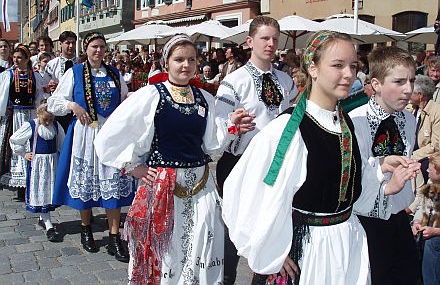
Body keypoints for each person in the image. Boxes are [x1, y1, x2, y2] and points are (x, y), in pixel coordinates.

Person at [222, 31, 419, 284]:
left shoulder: (345, 122)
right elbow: (247, 192)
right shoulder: (289, 130)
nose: (348, 74)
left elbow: (352, 191)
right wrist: (272, 253)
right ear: (313, 69)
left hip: (347, 245)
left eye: (353, 66)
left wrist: (384, 176)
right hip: (311, 251)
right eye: (338, 65)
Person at [94, 34, 252, 284]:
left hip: (201, 187)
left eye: (191, 59)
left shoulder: (204, 98)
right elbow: (109, 136)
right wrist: (133, 167)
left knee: (200, 247)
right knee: (166, 251)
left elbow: (210, 143)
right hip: (163, 186)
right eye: (179, 59)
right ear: (166, 62)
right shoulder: (150, 96)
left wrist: (231, 126)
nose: (186, 65)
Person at [215, 15, 297, 285]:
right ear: (250, 41)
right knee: (233, 228)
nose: (271, 44)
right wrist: (234, 126)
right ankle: (227, 279)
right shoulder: (234, 81)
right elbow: (218, 128)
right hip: (239, 164)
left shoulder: (286, 80)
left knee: (269, 225)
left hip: (275, 166)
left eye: (275, 38)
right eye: (265, 38)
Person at [47, 32, 134, 262]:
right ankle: (86, 228)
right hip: (86, 134)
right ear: (86, 49)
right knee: (86, 184)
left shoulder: (114, 73)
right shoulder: (74, 72)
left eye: (102, 47)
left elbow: (125, 100)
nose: (99, 51)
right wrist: (72, 104)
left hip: (111, 135)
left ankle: (114, 237)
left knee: (113, 182)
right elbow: (53, 102)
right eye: (94, 46)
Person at [349, 46, 421, 284]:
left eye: (411, 80)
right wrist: (382, 168)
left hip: (399, 219)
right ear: (376, 84)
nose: (408, 89)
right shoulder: (355, 121)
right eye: (399, 81)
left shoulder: (409, 120)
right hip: (366, 222)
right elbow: (352, 174)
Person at [9, 103, 64, 242]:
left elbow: (61, 144)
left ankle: (42, 218)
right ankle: (49, 226)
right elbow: (15, 139)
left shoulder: (56, 126)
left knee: (49, 192)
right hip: (38, 164)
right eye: (45, 119)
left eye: (50, 119)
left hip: (52, 163)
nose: (47, 122)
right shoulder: (32, 125)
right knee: (41, 191)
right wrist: (23, 153)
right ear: (39, 115)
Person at [0, 45, 43, 200]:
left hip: (31, 114)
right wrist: (5, 109)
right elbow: (2, 95)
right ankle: (18, 184)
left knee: (31, 145)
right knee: (15, 146)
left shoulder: (34, 75)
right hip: (15, 116)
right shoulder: (8, 75)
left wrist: (39, 107)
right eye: (15, 57)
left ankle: (30, 181)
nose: (16, 60)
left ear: (26, 59)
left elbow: (39, 93)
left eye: (19, 57)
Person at [411, 151, 440, 285]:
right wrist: (417, 222)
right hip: (430, 229)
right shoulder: (431, 183)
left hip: (436, 236)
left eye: (430, 168)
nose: (426, 169)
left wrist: (436, 231)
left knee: (432, 244)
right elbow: (424, 208)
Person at [409, 75, 440, 185]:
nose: (407, 93)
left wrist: (413, 155)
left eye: (411, 91)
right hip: (410, 152)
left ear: (420, 95)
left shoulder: (437, 112)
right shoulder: (410, 109)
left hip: (425, 157)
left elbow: (435, 145)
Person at [46, 31, 77, 133]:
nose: (71, 46)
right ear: (61, 44)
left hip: (76, 107)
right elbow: (43, 85)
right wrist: (49, 86)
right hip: (57, 108)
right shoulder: (52, 64)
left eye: (73, 43)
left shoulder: (81, 64)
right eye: (68, 43)